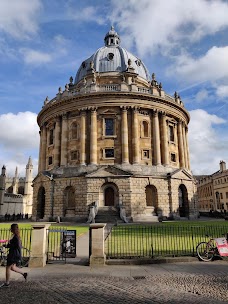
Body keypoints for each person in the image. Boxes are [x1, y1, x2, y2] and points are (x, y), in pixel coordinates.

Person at [0, 223, 28, 287]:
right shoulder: (15, 235)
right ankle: (24, 274)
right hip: (14, 254)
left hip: (13, 254)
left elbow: (17, 246)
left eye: (11, 228)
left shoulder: (16, 237)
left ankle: (7, 283)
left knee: (8, 268)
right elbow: (13, 245)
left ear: (13, 229)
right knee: (13, 267)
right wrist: (7, 245)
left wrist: (9, 246)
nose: (10, 230)